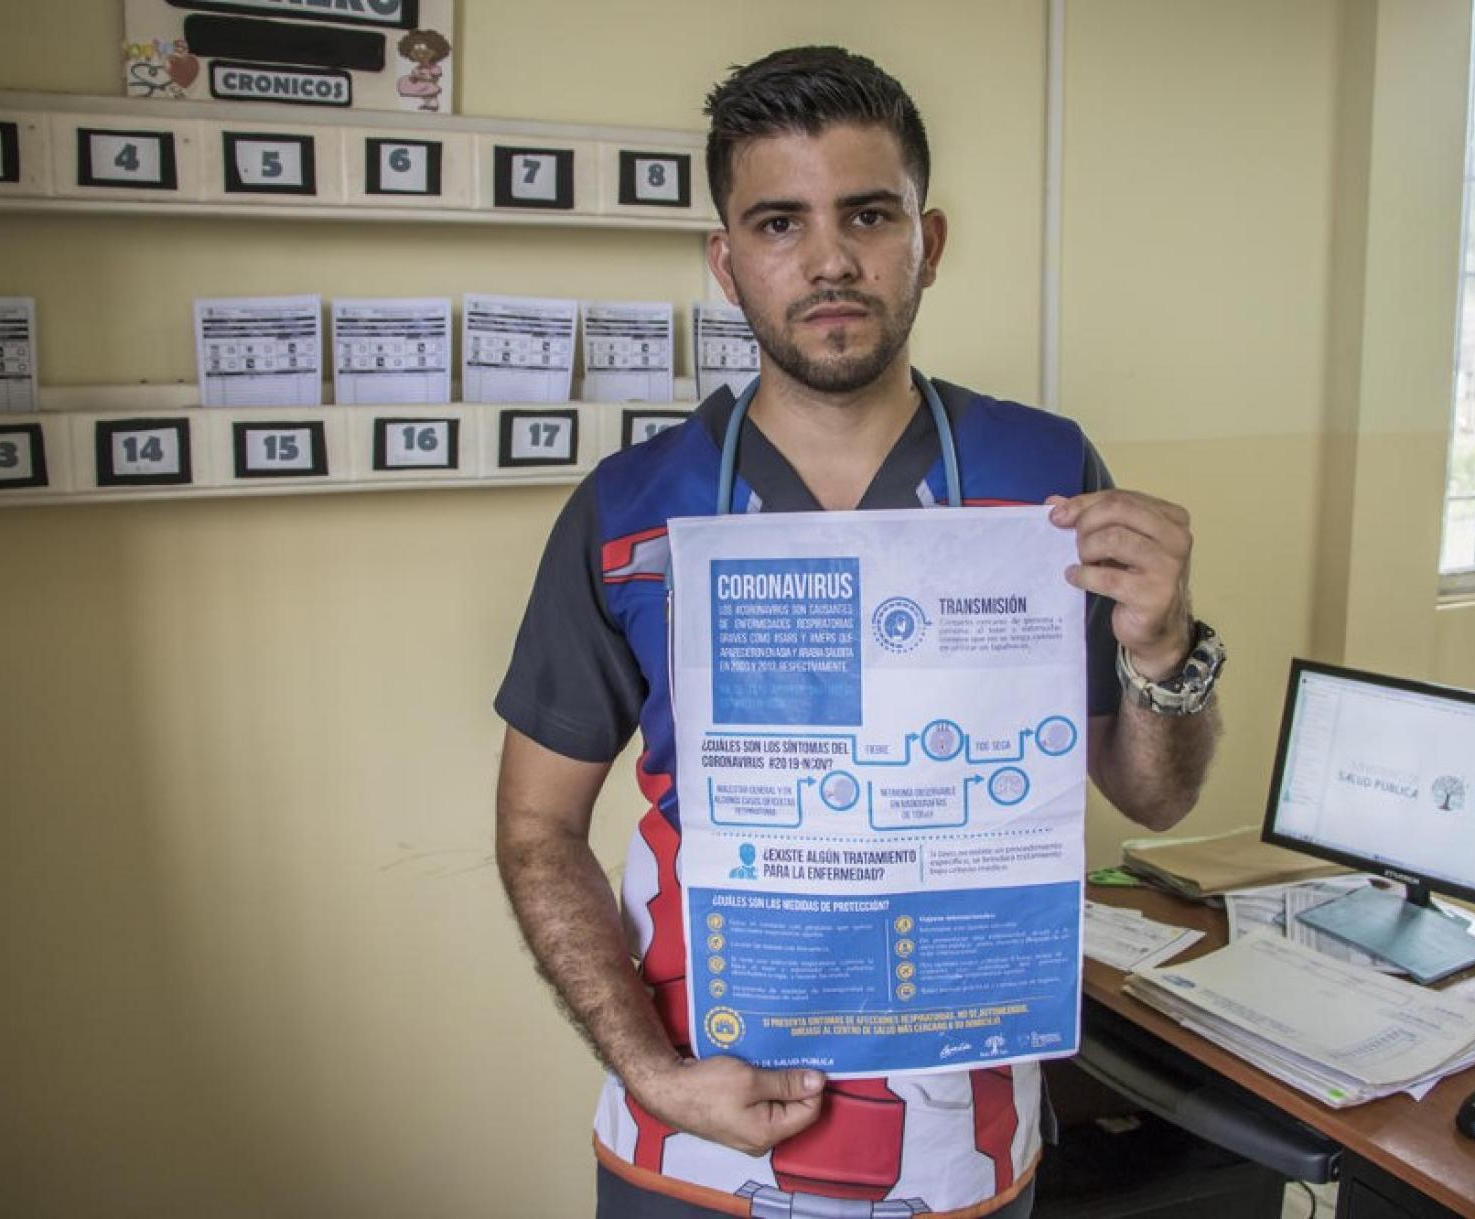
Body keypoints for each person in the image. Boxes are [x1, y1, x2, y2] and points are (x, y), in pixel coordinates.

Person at [496, 45, 1224, 1219]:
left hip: (962, 1156)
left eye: (868, 214)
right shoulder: (631, 510)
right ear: (727, 264)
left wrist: (1164, 654)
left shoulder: (1043, 476)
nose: (830, 259)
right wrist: (650, 1071)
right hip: (695, 1149)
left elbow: (1156, 798)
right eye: (780, 223)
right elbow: (538, 828)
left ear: (927, 242)